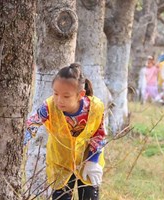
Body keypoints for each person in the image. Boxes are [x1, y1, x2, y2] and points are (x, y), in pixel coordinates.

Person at [24, 63, 106, 200]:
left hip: (88, 161)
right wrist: (16, 143)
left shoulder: (95, 108)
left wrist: (93, 161)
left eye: (66, 96)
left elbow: (99, 135)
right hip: (60, 163)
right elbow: (32, 124)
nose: (59, 100)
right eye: (55, 93)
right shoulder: (49, 106)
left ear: (81, 94)